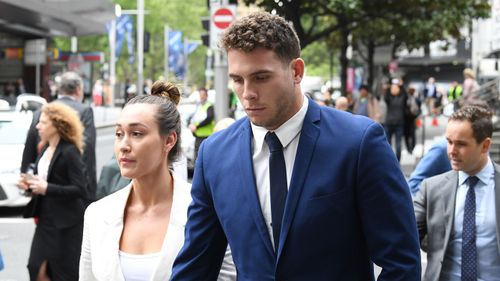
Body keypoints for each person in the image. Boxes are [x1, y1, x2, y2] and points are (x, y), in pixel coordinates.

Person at [171, 11, 420, 280]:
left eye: (261, 77)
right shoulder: (215, 154)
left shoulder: (358, 143)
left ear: (296, 71)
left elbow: (401, 262)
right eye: (237, 79)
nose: (247, 93)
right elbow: (196, 265)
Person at [79, 80, 235, 281]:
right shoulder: (97, 215)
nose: (124, 145)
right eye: (119, 134)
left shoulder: (207, 211)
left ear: (169, 140)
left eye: (137, 133)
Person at [414, 105, 500, 281]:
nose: (451, 151)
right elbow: (405, 235)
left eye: (461, 144)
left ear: (485, 145)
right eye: (449, 142)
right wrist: (437, 244)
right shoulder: (432, 188)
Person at [17, 102, 87, 281]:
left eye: (43, 123)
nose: (38, 126)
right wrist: (30, 186)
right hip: (46, 219)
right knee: (35, 267)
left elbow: (80, 188)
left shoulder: (70, 151)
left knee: (64, 272)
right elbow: (44, 180)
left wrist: (47, 188)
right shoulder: (45, 148)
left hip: (67, 223)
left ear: (57, 125)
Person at [21, 71, 97, 204]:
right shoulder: (84, 111)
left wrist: (27, 179)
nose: (40, 126)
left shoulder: (41, 111)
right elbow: (87, 150)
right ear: (79, 89)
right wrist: (89, 192)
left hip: (45, 193)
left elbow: (29, 151)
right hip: (71, 194)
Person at [188, 87, 215, 163]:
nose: (201, 96)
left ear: (207, 96)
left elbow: (209, 118)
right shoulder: (198, 106)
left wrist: (196, 126)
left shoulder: (209, 106)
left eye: (203, 95)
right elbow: (192, 118)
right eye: (200, 94)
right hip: (197, 136)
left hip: (206, 136)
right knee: (198, 159)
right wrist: (190, 124)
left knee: (206, 159)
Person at [384, 79, 407, 162]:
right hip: (397, 122)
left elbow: (386, 95)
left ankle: (390, 161)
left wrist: (389, 87)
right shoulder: (401, 98)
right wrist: (401, 85)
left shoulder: (390, 99)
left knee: (389, 144)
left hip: (391, 122)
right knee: (397, 143)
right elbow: (405, 93)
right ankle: (397, 161)